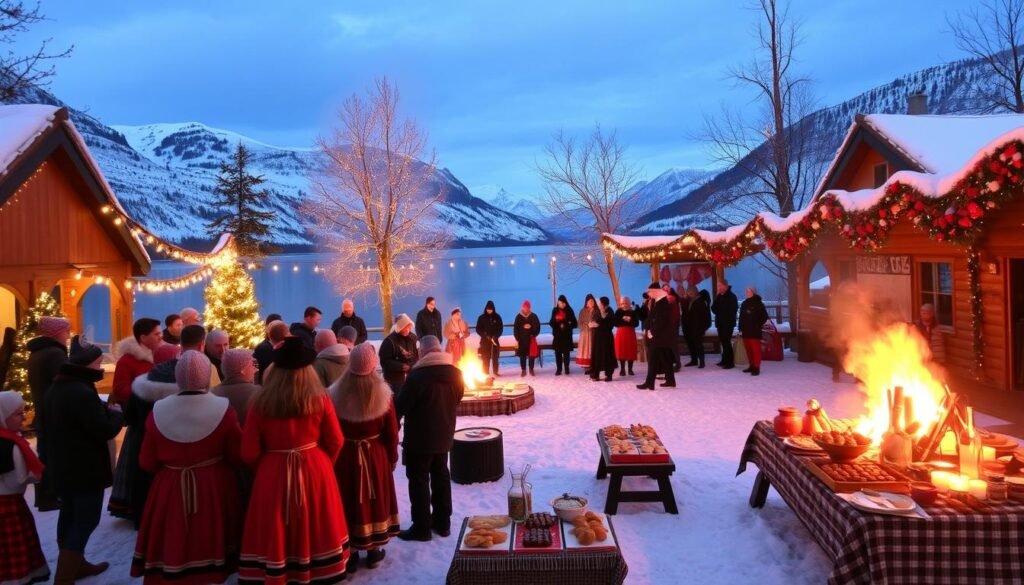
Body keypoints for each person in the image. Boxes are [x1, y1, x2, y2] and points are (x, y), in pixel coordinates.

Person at [239, 336, 350, 584]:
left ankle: (278, 568)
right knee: (317, 523)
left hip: (273, 472)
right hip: (314, 467)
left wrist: (267, 468)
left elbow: (248, 451)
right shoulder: (320, 398)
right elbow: (336, 440)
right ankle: (318, 569)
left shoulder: (260, 401)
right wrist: (322, 465)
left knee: (275, 527)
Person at [131, 350, 243, 585]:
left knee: (173, 536)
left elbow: (147, 462)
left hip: (170, 486)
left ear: (177, 377)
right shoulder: (223, 408)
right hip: (214, 486)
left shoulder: (158, 410)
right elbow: (236, 455)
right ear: (207, 376)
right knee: (210, 536)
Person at [44, 337, 125, 582]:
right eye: (98, 362)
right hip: (84, 468)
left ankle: (76, 565)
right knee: (85, 520)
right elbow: (103, 429)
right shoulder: (81, 392)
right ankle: (65, 576)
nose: (101, 366)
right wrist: (116, 414)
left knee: (69, 515)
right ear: (86, 364)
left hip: (63, 465)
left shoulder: (58, 387)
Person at [328, 344, 400, 572]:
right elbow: (392, 431)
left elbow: (331, 429)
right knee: (374, 499)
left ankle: (350, 552)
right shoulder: (384, 394)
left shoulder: (334, 393)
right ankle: (373, 550)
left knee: (349, 499)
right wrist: (392, 456)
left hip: (346, 456)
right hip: (374, 455)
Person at [394, 336, 464, 541]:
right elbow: (457, 399)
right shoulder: (456, 373)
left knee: (418, 481)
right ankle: (443, 523)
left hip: (419, 439)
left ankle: (422, 527)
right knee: (441, 477)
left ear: (422, 352)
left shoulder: (416, 376)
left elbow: (401, 406)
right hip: (444, 435)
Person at [108, 341, 181, 524]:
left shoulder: (142, 384)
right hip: (171, 442)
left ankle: (141, 515)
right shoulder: (180, 385)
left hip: (140, 437)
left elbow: (130, 415)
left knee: (141, 476)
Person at [0, 391, 50, 585]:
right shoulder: (12, 445)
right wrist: (37, 475)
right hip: (10, 507)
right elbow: (17, 481)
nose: (23, 417)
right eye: (18, 413)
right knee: (14, 550)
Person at [25, 315, 70, 511]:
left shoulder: (38, 352)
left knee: (45, 454)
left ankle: (44, 496)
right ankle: (50, 496)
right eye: (66, 331)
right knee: (54, 455)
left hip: (42, 410)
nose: (68, 335)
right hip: (54, 413)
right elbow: (64, 382)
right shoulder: (55, 354)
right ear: (56, 332)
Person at [112, 317, 163, 406]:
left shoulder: (164, 354)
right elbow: (120, 390)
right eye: (157, 334)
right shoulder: (127, 361)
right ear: (143, 338)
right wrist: (148, 393)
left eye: (161, 333)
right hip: (140, 409)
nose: (161, 337)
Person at [638, 283, 677, 390]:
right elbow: (652, 318)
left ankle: (649, 382)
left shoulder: (662, 303)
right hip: (662, 337)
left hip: (659, 336)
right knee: (665, 358)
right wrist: (647, 327)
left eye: (650, 291)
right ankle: (670, 380)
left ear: (655, 291)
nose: (648, 293)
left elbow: (661, 320)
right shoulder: (658, 302)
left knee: (652, 358)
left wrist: (652, 332)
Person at [212, 348, 261, 426]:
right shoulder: (259, 394)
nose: (255, 369)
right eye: (252, 365)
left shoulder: (212, 393)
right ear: (243, 370)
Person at [379, 314, 418, 393]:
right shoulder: (389, 341)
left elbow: (417, 355)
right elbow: (385, 361)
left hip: (412, 376)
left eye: (409, 326)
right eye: (405, 326)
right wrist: (401, 366)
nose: (408, 329)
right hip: (395, 380)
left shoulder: (413, 338)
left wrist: (414, 365)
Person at [739, 287, 770, 376]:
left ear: (753, 292)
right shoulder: (744, 303)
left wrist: (757, 325)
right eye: (746, 291)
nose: (746, 293)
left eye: (748, 291)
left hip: (755, 331)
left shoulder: (758, 303)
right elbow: (741, 317)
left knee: (756, 350)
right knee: (748, 350)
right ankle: (751, 366)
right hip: (745, 331)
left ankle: (756, 367)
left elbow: (764, 316)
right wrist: (740, 328)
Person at [712, 280, 739, 370]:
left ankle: (730, 362)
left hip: (728, 323)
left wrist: (723, 314)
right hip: (720, 323)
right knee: (723, 342)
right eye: (718, 286)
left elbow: (733, 310)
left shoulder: (731, 296)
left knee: (727, 342)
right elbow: (713, 308)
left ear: (726, 286)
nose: (719, 288)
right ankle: (724, 360)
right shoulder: (719, 296)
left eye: (720, 286)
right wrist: (717, 298)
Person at [589, 296, 616, 382]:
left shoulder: (609, 311)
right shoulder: (597, 310)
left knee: (607, 355)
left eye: (600, 302)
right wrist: (591, 324)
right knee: (597, 355)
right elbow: (595, 320)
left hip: (606, 338)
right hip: (597, 337)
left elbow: (610, 325)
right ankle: (595, 374)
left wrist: (599, 325)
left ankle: (609, 375)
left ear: (603, 303)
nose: (598, 304)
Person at [549, 295, 577, 376]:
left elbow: (574, 323)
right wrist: (557, 322)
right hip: (557, 335)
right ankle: (559, 369)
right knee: (557, 353)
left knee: (566, 353)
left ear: (565, 303)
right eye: (559, 303)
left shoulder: (569, 310)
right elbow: (551, 322)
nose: (560, 304)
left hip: (566, 335)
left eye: (561, 303)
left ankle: (567, 368)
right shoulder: (555, 310)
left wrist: (566, 324)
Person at [684, 288, 712, 368]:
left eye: (688, 293)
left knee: (698, 344)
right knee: (692, 344)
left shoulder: (700, 302)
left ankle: (701, 361)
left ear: (693, 293)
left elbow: (702, 316)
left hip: (698, 328)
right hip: (692, 327)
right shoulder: (693, 301)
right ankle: (694, 360)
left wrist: (701, 327)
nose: (688, 295)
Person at [475, 301, 503, 377]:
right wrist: (484, 335)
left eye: (491, 309)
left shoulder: (497, 317)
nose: (489, 311)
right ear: (486, 309)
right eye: (488, 309)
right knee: (485, 357)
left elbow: (500, 329)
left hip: (495, 341)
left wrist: (496, 336)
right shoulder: (481, 318)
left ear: (493, 309)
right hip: (485, 341)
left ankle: (495, 372)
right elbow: (478, 329)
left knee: (495, 357)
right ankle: (485, 373)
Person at [513, 300, 541, 376]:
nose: (526, 309)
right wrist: (517, 338)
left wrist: (534, 333)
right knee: (522, 355)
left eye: (527, 307)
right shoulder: (518, 317)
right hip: (521, 340)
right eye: (524, 307)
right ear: (522, 307)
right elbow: (515, 328)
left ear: (529, 308)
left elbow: (538, 327)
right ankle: (523, 370)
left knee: (531, 355)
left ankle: (531, 369)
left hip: (531, 339)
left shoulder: (533, 316)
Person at [613, 296, 639, 376]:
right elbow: (615, 323)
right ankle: (622, 369)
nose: (624, 305)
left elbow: (636, 323)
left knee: (630, 350)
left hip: (630, 333)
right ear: (620, 304)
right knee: (622, 351)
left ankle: (630, 369)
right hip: (621, 333)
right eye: (623, 303)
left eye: (626, 303)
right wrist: (623, 320)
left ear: (629, 303)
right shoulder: (618, 311)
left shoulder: (633, 312)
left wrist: (630, 320)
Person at [576, 294, 597, 372]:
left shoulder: (596, 310)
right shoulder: (583, 311)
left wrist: (594, 324)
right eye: (590, 301)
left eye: (592, 301)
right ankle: (586, 367)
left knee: (593, 349)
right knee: (585, 350)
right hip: (585, 334)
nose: (591, 303)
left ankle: (593, 366)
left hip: (594, 333)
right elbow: (579, 323)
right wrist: (586, 326)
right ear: (586, 302)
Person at [665, 285, 682, 371]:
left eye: (667, 289)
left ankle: (677, 363)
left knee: (673, 345)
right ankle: (673, 363)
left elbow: (675, 315)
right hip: (669, 326)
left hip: (672, 326)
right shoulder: (667, 299)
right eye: (664, 289)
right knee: (670, 345)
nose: (666, 291)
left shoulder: (671, 298)